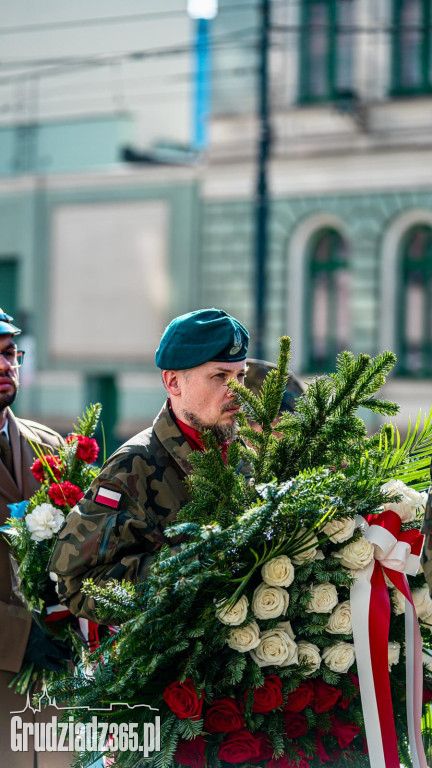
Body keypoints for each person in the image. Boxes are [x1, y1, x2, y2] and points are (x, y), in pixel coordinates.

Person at [49, 308, 250, 624]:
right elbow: (75, 583)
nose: (236, 390)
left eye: (241, 376)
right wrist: (188, 567)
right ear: (173, 383)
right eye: (220, 377)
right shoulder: (132, 468)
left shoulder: (245, 454)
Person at [0, 308, 71, 768]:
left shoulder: (48, 447)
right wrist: (19, 635)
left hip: (50, 677)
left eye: (9, 354)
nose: (5, 366)